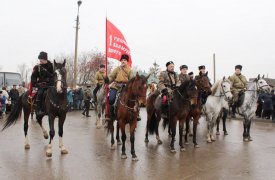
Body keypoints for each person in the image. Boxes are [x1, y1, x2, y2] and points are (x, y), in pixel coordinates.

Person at [31, 51, 54, 118]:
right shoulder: (37, 67)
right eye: (40, 60)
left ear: (45, 59)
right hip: (41, 85)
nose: (40, 61)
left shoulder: (51, 66)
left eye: (41, 60)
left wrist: (52, 82)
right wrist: (35, 83)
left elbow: (54, 75)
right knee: (40, 93)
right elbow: (33, 76)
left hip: (50, 84)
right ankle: (38, 110)